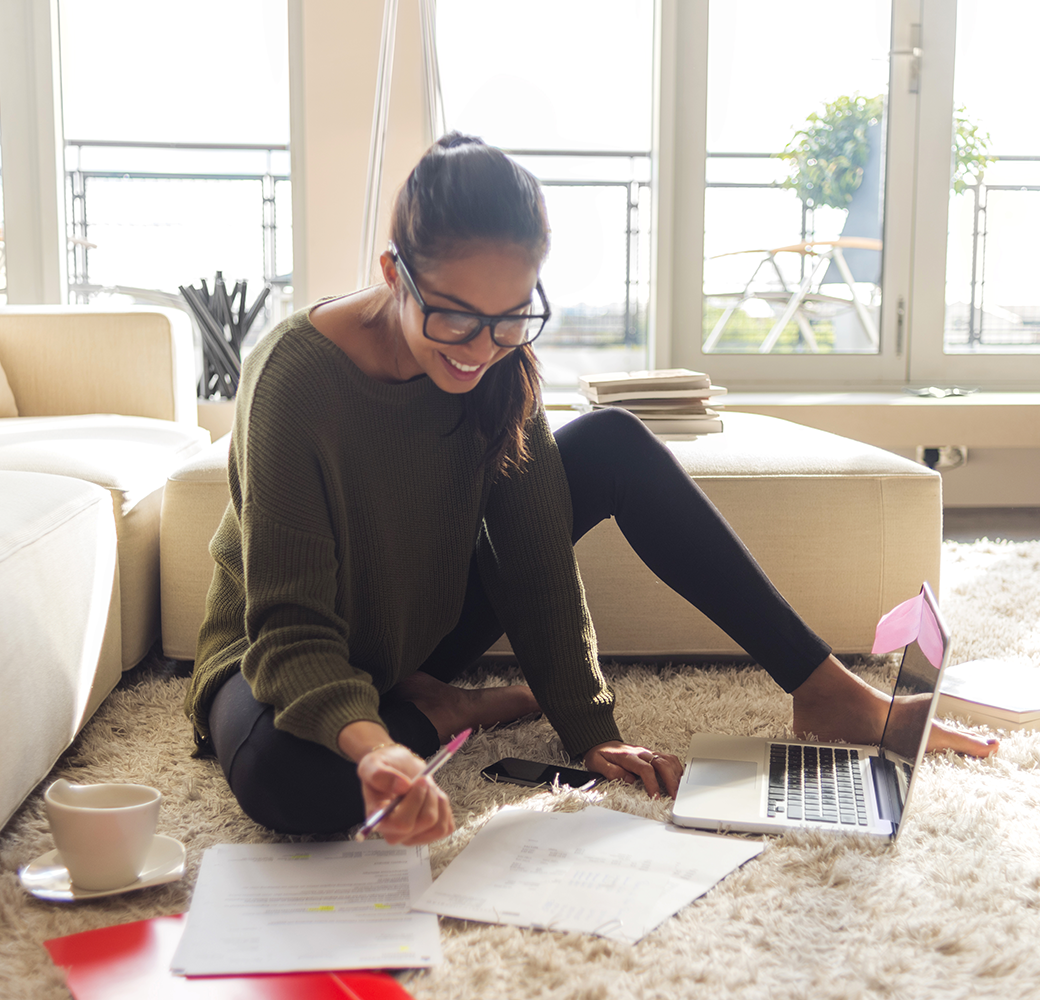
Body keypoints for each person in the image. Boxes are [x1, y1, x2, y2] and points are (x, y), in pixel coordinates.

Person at [186, 133, 996, 848]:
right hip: (278, 651)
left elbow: (535, 558)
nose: (482, 350)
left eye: (512, 318)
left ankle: (827, 693)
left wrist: (590, 731)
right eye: (457, 319)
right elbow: (290, 631)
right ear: (394, 272)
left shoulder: (501, 365)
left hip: (414, 627)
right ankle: (442, 713)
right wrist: (379, 746)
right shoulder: (295, 378)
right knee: (297, 786)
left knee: (611, 442)